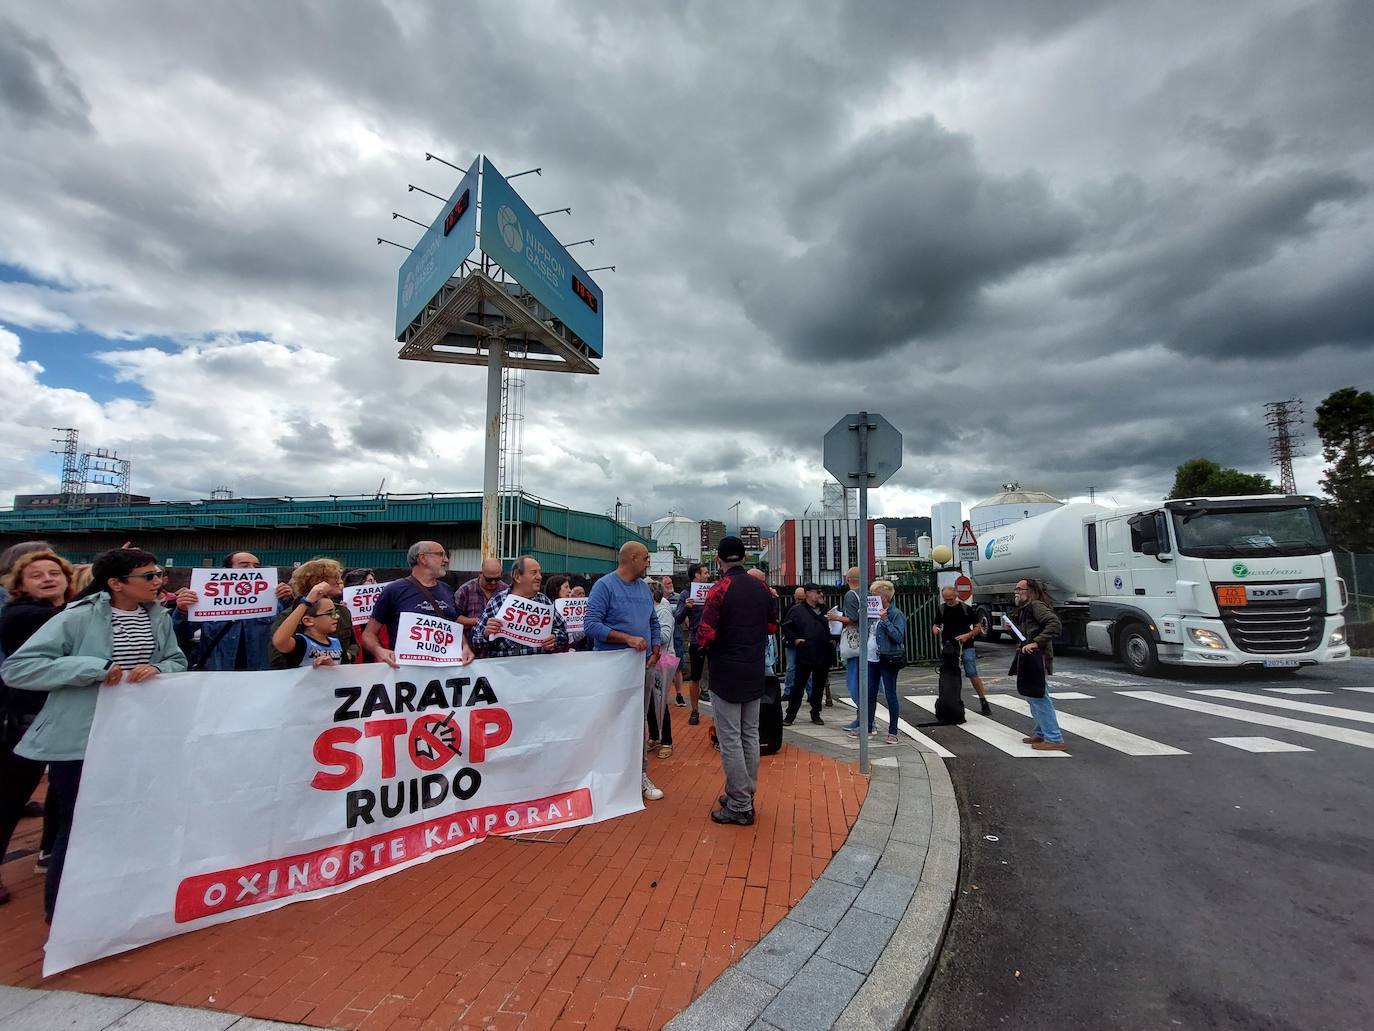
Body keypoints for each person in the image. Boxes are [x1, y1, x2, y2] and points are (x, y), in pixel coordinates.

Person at [2, 547, 186, 922]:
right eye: (147, 576)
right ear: (116, 584)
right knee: (80, 823)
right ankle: (63, 915)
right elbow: (19, 668)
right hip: (81, 738)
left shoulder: (159, 617)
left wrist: (157, 667)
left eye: (157, 575)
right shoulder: (77, 617)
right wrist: (93, 667)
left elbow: (177, 659)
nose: (158, 582)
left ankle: (116, 901)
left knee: (128, 818)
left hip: (139, 735)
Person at [0, 549, 76, 906]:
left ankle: (49, 853)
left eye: (54, 572)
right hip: (31, 716)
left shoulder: (71, 610)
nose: (47, 578)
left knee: (61, 793)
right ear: (20, 585)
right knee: (12, 792)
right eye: (36, 575)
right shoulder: (20, 615)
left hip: (67, 713)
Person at [695, 537, 776, 826]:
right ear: (744, 557)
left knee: (729, 738)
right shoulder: (762, 588)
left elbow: (705, 634)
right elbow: (771, 626)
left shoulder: (719, 589)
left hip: (726, 671)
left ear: (719, 560)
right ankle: (744, 794)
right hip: (753, 669)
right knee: (749, 734)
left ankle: (741, 804)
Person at [584, 542, 663, 802]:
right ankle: (602, 773)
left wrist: (655, 646)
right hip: (611, 666)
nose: (649, 562)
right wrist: (627, 638)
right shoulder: (604, 586)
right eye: (646, 558)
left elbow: (653, 620)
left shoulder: (644, 588)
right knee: (607, 719)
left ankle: (638, 774)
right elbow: (591, 626)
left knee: (637, 719)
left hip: (642, 665)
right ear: (631, 559)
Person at [172, 550, 291, 671]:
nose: (251, 569)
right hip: (217, 674)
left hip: (261, 674)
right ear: (226, 570)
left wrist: (289, 600)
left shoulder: (273, 600)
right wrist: (183, 611)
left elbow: (289, 635)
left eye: (256, 566)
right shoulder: (205, 600)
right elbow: (179, 637)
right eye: (244, 566)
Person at [363, 541, 466, 667]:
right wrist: (379, 651)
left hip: (444, 673)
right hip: (406, 672)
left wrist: (465, 647)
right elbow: (368, 634)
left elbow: (454, 628)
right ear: (423, 558)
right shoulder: (394, 590)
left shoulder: (447, 590)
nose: (446, 560)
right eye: (441, 554)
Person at [1010, 578, 1066, 751]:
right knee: (1034, 696)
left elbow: (1055, 624)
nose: (1017, 592)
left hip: (1037, 657)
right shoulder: (1026, 609)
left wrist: (1036, 643)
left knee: (1039, 697)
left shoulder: (1036, 606)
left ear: (1031, 591)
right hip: (1030, 656)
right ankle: (1042, 733)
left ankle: (1054, 738)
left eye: (1020, 589)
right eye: (1016, 589)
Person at [473, 556, 569, 658]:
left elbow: (564, 632)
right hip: (503, 669)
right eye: (534, 572)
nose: (539, 577)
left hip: (539, 668)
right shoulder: (498, 601)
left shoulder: (544, 602)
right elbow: (475, 640)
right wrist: (486, 634)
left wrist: (555, 637)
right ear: (517, 577)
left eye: (539, 572)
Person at [272, 558, 358, 665]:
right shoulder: (290, 615)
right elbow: (278, 651)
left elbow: (353, 644)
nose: (340, 582)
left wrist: (345, 657)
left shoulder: (343, 612)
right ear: (317, 582)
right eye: (335, 578)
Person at [932, 586, 991, 716]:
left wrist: (967, 636)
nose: (949, 601)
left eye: (951, 599)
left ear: (956, 595)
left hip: (966, 645)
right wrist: (935, 629)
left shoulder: (966, 609)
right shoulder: (941, 609)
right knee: (949, 675)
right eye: (946, 599)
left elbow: (978, 628)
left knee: (971, 672)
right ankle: (951, 700)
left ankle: (983, 701)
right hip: (949, 648)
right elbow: (936, 624)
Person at [859, 579, 905, 744]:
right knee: (869, 693)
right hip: (872, 659)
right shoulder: (871, 612)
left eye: (874, 595)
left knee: (890, 694)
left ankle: (893, 731)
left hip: (888, 658)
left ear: (884, 597)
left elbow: (898, 637)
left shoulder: (895, 614)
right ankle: (868, 726)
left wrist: (885, 620)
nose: (871, 597)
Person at [782, 583, 831, 727]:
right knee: (799, 685)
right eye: (817, 592)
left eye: (821, 592)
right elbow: (786, 626)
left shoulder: (825, 610)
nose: (820, 594)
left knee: (819, 685)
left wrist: (834, 639)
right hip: (805, 652)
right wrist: (795, 639)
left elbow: (833, 626)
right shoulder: (797, 610)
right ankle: (790, 714)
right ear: (808, 593)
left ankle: (816, 712)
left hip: (822, 652)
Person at [674, 563, 712, 726]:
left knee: (716, 676)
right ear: (697, 575)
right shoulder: (685, 594)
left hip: (714, 640)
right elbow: (678, 619)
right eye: (705, 572)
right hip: (697, 640)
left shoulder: (712, 590)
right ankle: (694, 711)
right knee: (695, 677)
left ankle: (718, 713)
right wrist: (686, 607)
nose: (708, 575)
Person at [271, 588, 345, 669]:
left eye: (335, 612)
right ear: (308, 621)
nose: (337, 616)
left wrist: (331, 666)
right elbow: (279, 641)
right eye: (330, 613)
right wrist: (306, 602)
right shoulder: (301, 643)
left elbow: (346, 674)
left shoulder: (338, 643)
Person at [645, 580, 675, 758]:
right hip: (651, 660)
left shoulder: (662, 610)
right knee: (649, 701)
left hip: (663, 659)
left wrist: (643, 632)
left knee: (660, 701)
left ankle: (667, 740)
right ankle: (655, 736)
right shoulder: (650, 610)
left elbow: (664, 636)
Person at [833, 566, 865, 731]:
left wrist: (835, 617)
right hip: (869, 644)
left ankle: (864, 721)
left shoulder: (851, 595)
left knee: (855, 683)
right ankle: (864, 719)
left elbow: (853, 619)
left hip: (855, 645)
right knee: (865, 682)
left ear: (848, 580)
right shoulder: (870, 594)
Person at [455, 558, 506, 636]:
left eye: (497, 579)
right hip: (469, 644)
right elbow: (454, 619)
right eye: (489, 579)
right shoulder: (465, 590)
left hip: (498, 644)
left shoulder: (506, 591)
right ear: (480, 574)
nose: (493, 582)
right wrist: (481, 621)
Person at [782, 586, 805, 701]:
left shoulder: (793, 608)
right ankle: (788, 691)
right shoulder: (790, 609)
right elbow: (785, 625)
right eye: (798, 599)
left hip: (800, 641)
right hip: (792, 642)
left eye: (801, 599)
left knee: (803, 669)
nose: (799, 601)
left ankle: (809, 694)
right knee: (791, 668)